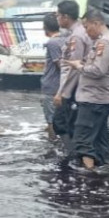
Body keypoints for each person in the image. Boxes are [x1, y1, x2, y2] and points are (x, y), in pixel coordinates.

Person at [63, 8, 109, 169]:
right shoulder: (108, 40)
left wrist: (79, 66)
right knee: (100, 140)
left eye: (87, 27)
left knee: (82, 140)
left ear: (96, 23)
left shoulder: (105, 42)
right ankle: (106, 172)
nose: (86, 32)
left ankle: (88, 177)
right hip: (99, 98)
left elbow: (98, 70)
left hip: (93, 98)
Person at [52, 0, 90, 157]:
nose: (57, 19)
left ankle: (73, 154)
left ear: (66, 17)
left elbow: (73, 68)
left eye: (58, 15)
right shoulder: (78, 33)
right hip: (78, 87)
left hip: (73, 88)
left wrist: (62, 93)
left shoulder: (77, 37)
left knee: (61, 122)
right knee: (68, 122)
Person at [41, 12, 66, 141]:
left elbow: (60, 65)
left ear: (45, 27)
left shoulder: (52, 43)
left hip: (52, 86)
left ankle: (53, 142)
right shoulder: (65, 39)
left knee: (50, 119)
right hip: (61, 87)